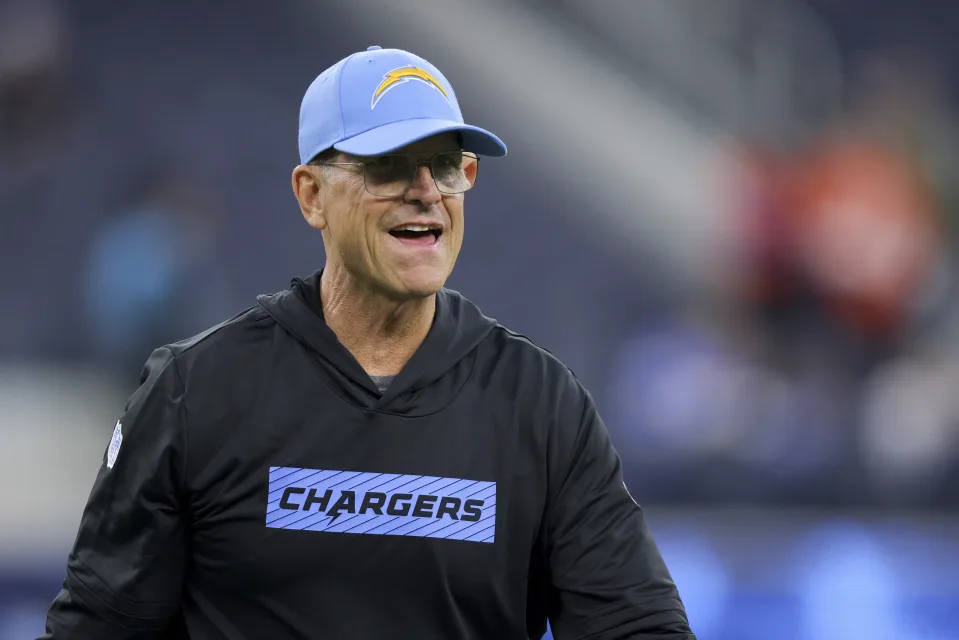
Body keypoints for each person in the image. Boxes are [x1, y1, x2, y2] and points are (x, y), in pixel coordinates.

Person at [40, 46, 695, 640]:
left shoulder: (540, 406)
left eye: (446, 165)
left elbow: (635, 629)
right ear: (311, 195)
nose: (425, 192)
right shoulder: (196, 393)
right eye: (389, 166)